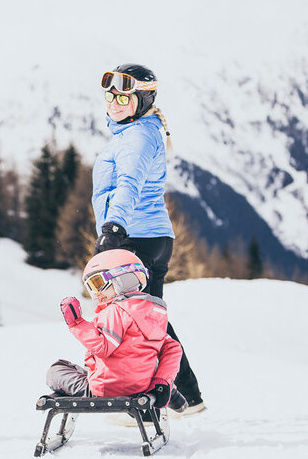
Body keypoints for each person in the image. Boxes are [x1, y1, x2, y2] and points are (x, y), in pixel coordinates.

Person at [91, 63, 206, 416]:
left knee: (136, 324)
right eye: (110, 95)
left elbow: (129, 185)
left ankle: (157, 401)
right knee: (149, 321)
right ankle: (185, 397)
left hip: (136, 238)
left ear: (143, 99)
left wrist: (113, 228)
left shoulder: (138, 137)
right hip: (145, 235)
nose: (114, 102)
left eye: (124, 96)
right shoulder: (134, 132)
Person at [46, 249, 185, 417]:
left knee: (56, 371)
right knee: (146, 357)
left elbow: (102, 347)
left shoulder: (116, 310)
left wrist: (76, 323)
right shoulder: (156, 313)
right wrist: (162, 380)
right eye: (91, 287)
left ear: (124, 278)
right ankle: (170, 392)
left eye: (98, 283)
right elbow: (173, 349)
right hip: (141, 386)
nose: (96, 292)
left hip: (105, 389)